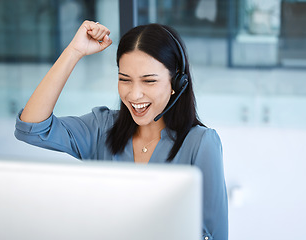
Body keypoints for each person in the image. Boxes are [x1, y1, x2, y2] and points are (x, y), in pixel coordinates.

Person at [15, 20, 228, 239]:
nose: (134, 95)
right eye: (125, 80)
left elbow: (214, 234)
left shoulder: (201, 143)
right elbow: (32, 127)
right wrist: (74, 52)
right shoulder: (101, 127)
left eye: (149, 81)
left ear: (178, 83)